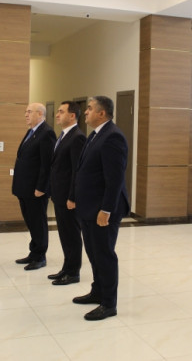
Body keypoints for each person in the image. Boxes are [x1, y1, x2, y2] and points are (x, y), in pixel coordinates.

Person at [73, 96, 129, 321]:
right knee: (93, 253)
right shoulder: (95, 135)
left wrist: (106, 210)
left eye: (89, 108)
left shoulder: (113, 137)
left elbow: (115, 179)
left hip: (103, 210)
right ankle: (97, 291)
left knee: (104, 255)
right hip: (89, 207)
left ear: (102, 113)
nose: (85, 112)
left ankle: (108, 303)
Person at [12, 103, 56, 270]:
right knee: (31, 221)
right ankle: (33, 252)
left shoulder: (47, 133)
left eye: (29, 112)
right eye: (26, 112)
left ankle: (40, 256)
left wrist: (42, 187)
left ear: (40, 114)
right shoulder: (32, 131)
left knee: (38, 222)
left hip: (36, 189)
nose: (26, 115)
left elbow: (47, 164)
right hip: (25, 188)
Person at [48, 101, 86, 285]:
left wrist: (73, 197)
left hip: (68, 197)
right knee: (64, 234)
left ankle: (73, 272)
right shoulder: (63, 135)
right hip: (59, 195)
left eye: (61, 112)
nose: (57, 115)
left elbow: (77, 171)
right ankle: (66, 267)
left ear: (72, 116)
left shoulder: (77, 137)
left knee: (71, 234)